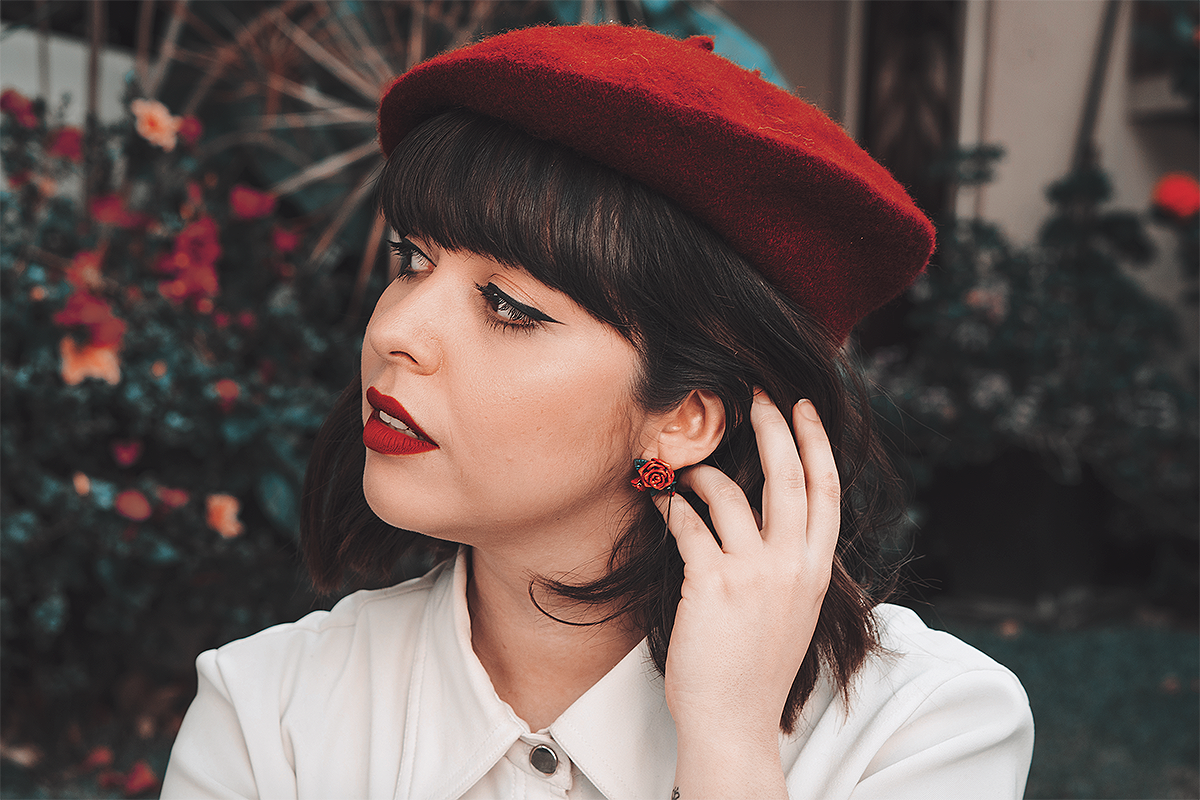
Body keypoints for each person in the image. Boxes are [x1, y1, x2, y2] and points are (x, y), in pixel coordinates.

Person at [162, 24, 1034, 800]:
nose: (395, 330)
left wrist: (728, 744)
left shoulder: (920, 727)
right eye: (411, 259)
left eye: (507, 304)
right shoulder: (268, 714)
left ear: (686, 417)